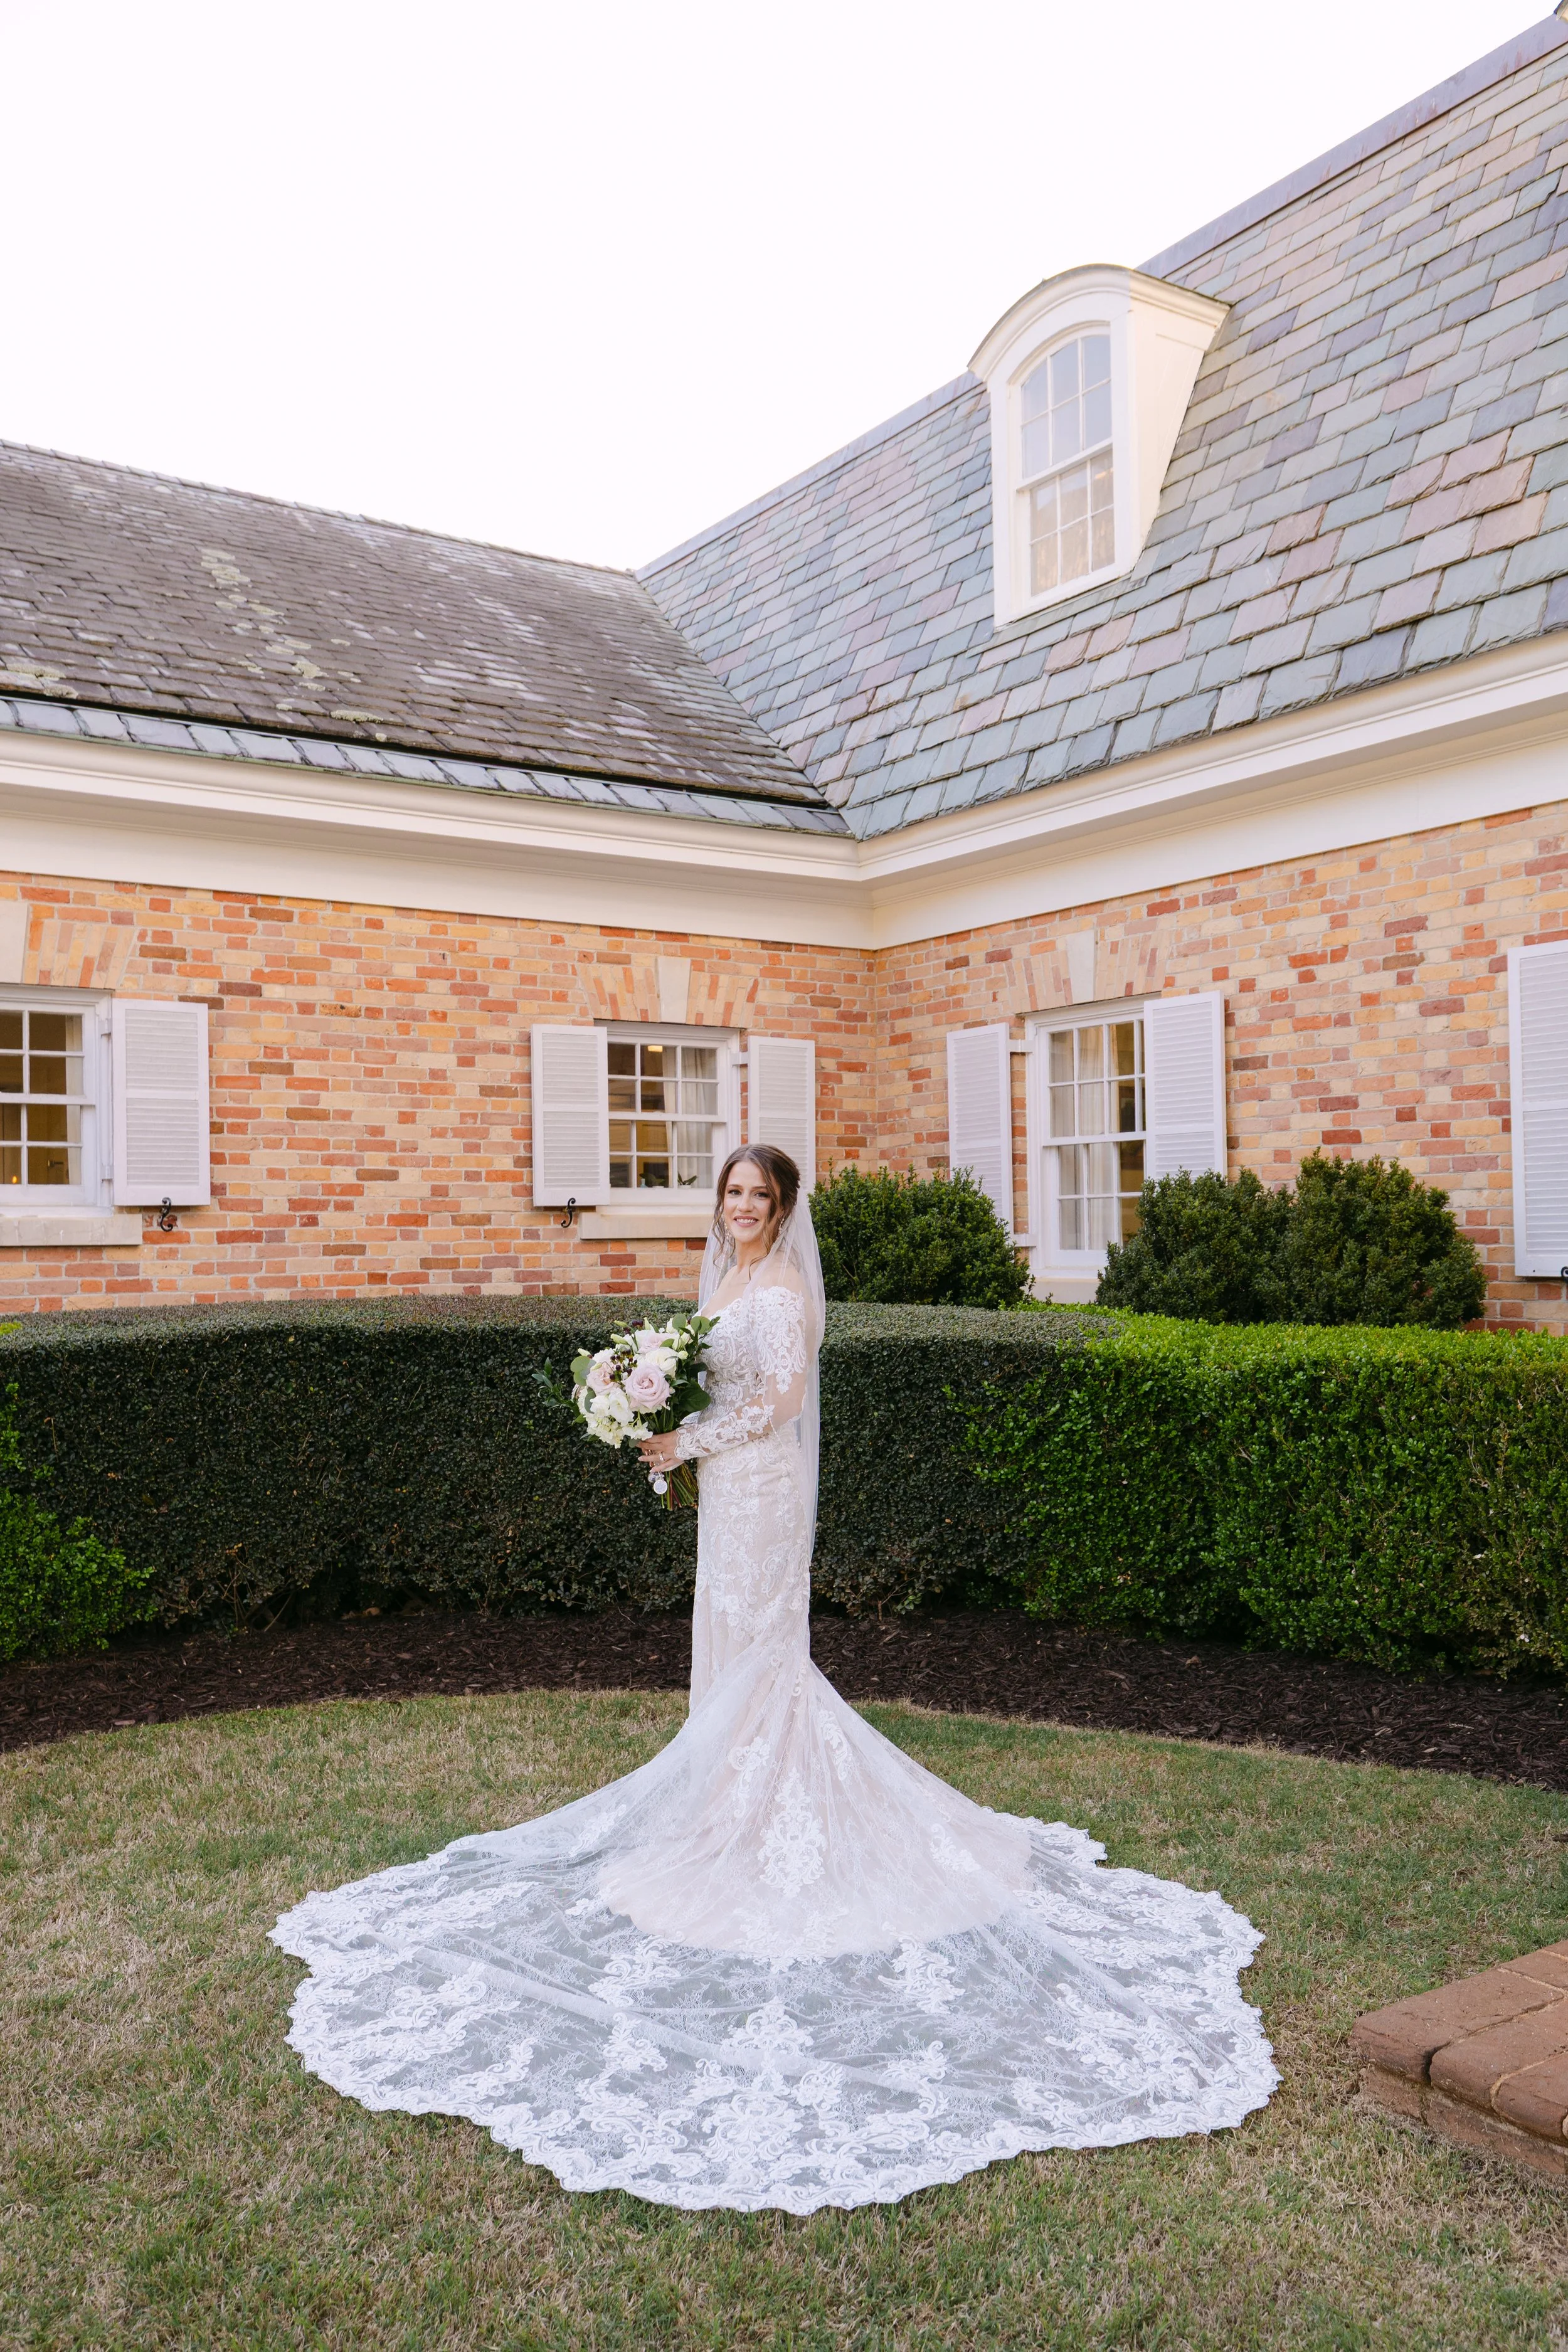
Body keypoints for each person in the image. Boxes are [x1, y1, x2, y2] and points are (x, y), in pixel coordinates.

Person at [272, 1147, 1276, 2212]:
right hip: (722, 1486)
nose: (744, 1209)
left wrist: (687, 1434)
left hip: (759, 1486)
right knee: (726, 1639)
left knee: (765, 1646)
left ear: (784, 1209)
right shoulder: (727, 1280)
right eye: (733, 1193)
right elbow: (715, 1374)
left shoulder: (786, 1288)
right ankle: (728, 1803)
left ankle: (770, 1808)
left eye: (760, 1196)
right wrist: (654, 1410)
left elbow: (785, 1399)